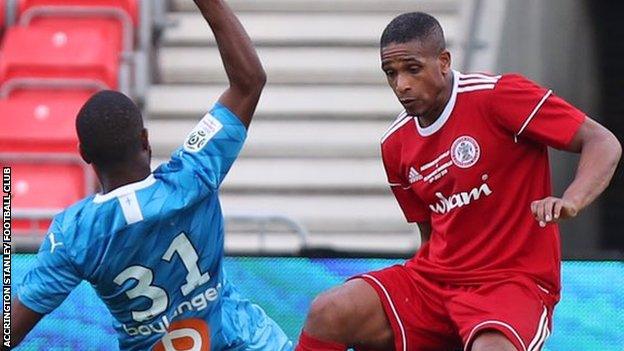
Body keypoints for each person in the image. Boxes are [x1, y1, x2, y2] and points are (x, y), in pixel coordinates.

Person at [296, 12, 621, 351]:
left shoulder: (498, 96)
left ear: (444, 61)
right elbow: (429, 233)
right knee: (328, 311)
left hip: (512, 283)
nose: (401, 84)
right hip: (435, 283)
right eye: (391, 74)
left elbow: (602, 141)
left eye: (413, 69)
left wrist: (572, 199)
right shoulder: (395, 144)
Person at [11, 1, 293, 350]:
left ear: (85, 155)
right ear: (145, 139)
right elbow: (249, 82)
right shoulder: (194, 173)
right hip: (249, 342)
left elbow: (11, 330)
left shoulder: (74, 235)